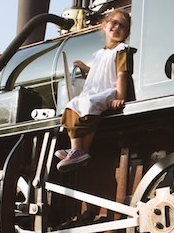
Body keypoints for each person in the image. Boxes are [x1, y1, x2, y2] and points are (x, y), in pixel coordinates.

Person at [55, 9, 131, 172]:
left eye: (122, 27)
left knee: (87, 105)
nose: (117, 28)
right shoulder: (100, 53)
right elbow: (100, 71)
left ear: (127, 33)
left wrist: (120, 96)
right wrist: (85, 67)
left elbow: (121, 74)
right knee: (72, 105)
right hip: (94, 90)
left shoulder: (121, 50)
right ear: (104, 26)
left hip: (108, 90)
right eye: (114, 23)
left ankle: (78, 150)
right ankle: (79, 151)